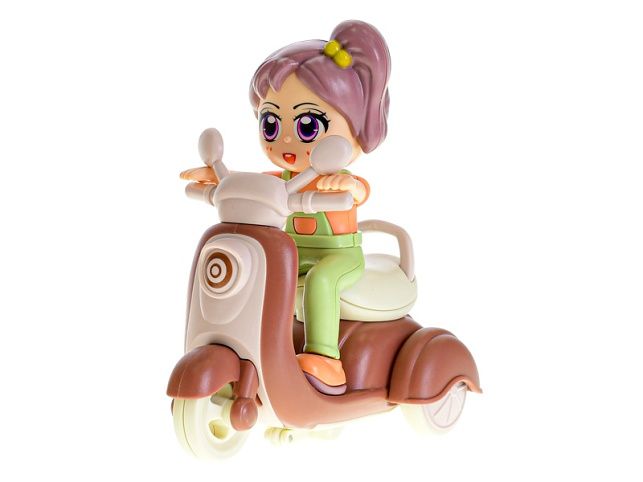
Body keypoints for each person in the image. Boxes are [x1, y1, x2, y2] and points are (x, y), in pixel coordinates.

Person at [184, 20, 391, 395]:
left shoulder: (336, 176)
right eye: (271, 124)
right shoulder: (280, 178)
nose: (287, 142)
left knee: (321, 281)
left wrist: (346, 185)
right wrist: (218, 179)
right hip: (288, 252)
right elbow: (248, 184)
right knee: (255, 278)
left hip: (337, 256)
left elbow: (359, 191)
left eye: (308, 126)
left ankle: (326, 359)